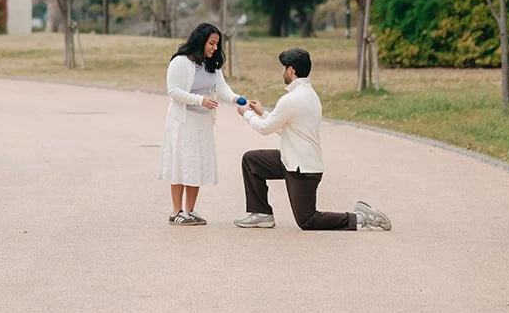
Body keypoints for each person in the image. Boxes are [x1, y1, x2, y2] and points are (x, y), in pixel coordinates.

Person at [234, 47, 391, 231]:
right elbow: (288, 130)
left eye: (283, 68)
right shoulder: (308, 95)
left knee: (308, 221)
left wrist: (247, 115)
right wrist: (262, 112)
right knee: (252, 161)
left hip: (303, 170)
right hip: (291, 161)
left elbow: (265, 129)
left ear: (291, 70)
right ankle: (261, 214)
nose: (282, 72)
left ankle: (360, 217)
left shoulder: (291, 99)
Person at [159, 22, 238, 225]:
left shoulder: (212, 65)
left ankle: (190, 210)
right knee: (181, 163)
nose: (214, 48)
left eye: (216, 44)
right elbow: (173, 91)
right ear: (200, 41)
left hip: (203, 122)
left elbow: (222, 88)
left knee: (196, 164)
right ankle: (176, 212)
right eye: (211, 43)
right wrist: (200, 100)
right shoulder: (179, 62)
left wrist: (238, 100)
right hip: (183, 121)